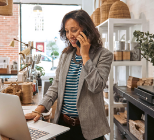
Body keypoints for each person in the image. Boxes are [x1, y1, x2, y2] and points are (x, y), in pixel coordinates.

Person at [25, 10, 113, 140]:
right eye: (67, 31)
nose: (70, 35)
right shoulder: (66, 55)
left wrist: (85, 56)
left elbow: (97, 86)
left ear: (86, 30)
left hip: (90, 130)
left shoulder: (104, 55)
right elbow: (56, 87)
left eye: (74, 30)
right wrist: (38, 110)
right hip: (63, 126)